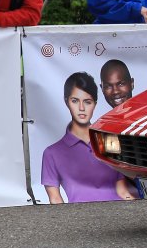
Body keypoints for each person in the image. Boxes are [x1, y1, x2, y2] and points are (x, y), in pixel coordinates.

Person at [40, 72, 136, 204]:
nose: (81, 108)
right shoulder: (52, 153)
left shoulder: (110, 143)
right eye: (75, 101)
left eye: (87, 102)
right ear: (66, 101)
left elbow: (123, 191)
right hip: (80, 215)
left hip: (118, 212)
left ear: (95, 104)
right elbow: (55, 199)